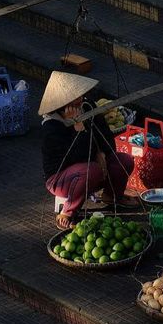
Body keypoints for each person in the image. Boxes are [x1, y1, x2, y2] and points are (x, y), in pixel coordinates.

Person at [40, 71, 134, 230]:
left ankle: (112, 196)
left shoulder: (88, 106)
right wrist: (78, 127)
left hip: (94, 166)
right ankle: (68, 211)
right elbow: (78, 157)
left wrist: (102, 152)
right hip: (63, 177)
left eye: (80, 96)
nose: (80, 100)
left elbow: (106, 136)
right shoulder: (52, 127)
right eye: (75, 98)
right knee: (91, 170)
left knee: (123, 160)